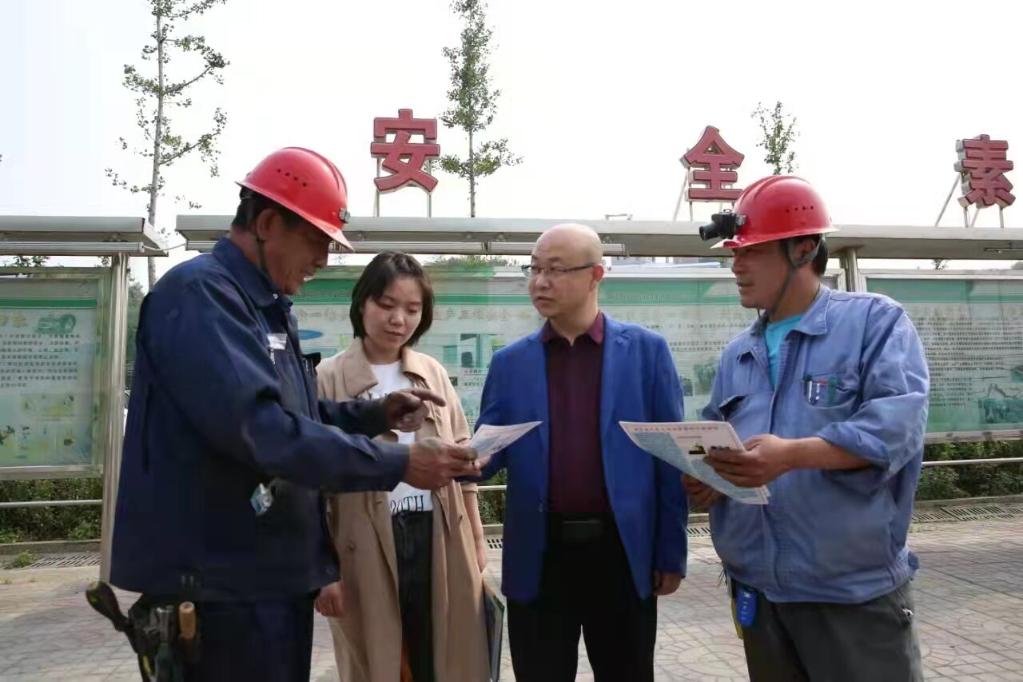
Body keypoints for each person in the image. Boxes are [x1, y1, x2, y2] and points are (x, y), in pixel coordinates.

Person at [110, 147, 478, 681]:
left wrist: (374, 415)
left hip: (264, 576)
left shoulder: (262, 305)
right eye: (316, 240)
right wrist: (399, 463)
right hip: (219, 585)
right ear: (266, 225)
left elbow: (298, 413)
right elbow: (261, 431)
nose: (324, 259)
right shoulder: (201, 296)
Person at [690, 175, 929, 681]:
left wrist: (792, 455)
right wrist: (705, 478)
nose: (737, 266)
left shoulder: (874, 323)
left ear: (803, 249)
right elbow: (716, 436)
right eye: (735, 253)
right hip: (760, 594)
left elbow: (896, 427)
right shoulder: (739, 353)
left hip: (852, 599)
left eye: (752, 251)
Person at [474, 223, 687, 682]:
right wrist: (468, 461)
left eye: (555, 270)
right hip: (540, 553)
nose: (540, 282)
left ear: (596, 275)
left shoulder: (646, 353)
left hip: (621, 552)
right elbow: (490, 448)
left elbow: (669, 460)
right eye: (534, 269)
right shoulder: (510, 363)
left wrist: (670, 553)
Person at [313, 251, 489, 682]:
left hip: (438, 535)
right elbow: (310, 486)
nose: (399, 319)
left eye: (412, 309)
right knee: (381, 658)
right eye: (387, 304)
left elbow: (462, 458)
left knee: (444, 656)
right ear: (362, 304)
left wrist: (476, 538)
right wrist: (323, 571)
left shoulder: (431, 372)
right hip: (362, 542)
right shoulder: (327, 377)